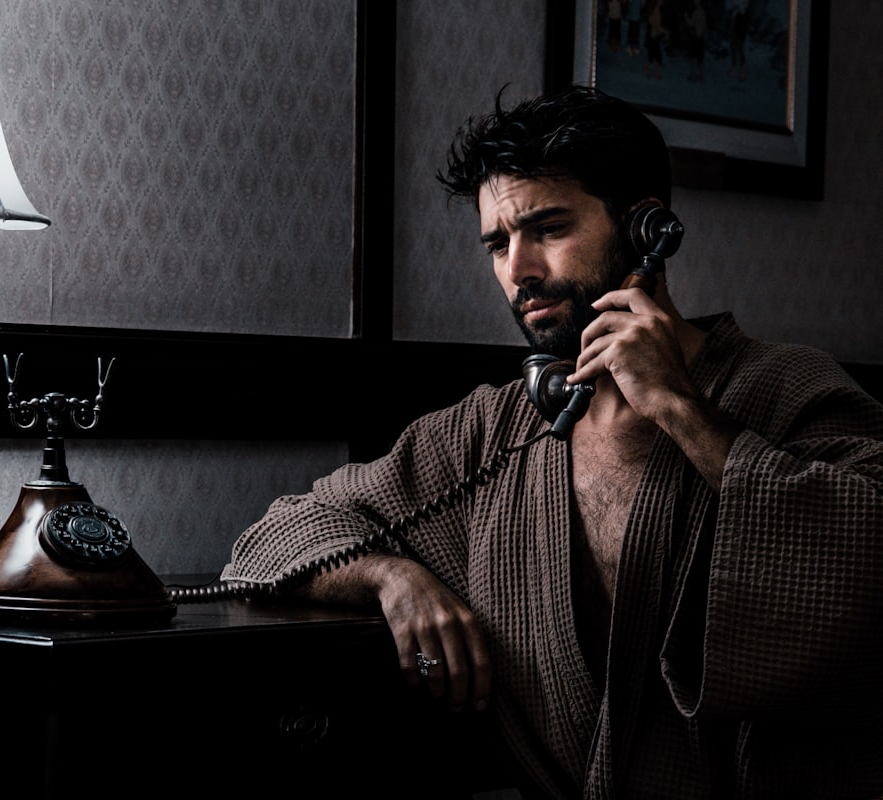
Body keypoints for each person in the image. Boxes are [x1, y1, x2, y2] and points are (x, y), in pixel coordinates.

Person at [221, 86, 883, 799]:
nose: (519, 269)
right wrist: (392, 576)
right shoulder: (493, 432)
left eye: (548, 228)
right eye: (498, 243)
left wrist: (680, 408)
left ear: (646, 230)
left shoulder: (788, 389)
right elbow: (271, 538)